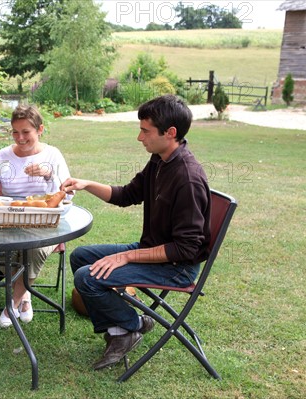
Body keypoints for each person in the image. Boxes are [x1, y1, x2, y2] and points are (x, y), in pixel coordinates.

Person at [61, 95, 211, 370]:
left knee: (88, 278)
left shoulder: (187, 178)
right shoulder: (160, 160)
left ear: (171, 133)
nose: (139, 137)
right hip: (155, 251)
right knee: (81, 257)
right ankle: (124, 330)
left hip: (177, 267)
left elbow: (187, 249)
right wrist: (86, 184)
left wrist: (129, 256)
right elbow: (128, 194)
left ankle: (131, 326)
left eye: (145, 131)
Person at [0, 104, 72, 328]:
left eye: (26, 132)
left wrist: (49, 175)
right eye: (15, 132)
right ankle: (25, 295)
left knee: (33, 247)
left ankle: (13, 300)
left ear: (40, 130)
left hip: (44, 224)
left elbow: (68, 193)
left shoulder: (52, 155)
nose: (20, 138)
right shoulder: (4, 156)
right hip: (8, 223)